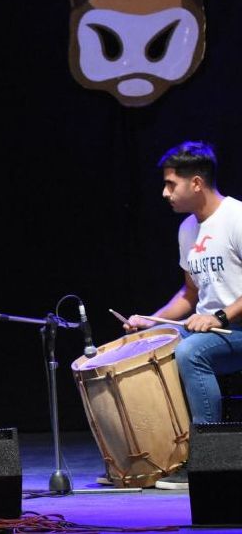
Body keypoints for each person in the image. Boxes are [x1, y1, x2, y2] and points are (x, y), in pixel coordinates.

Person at [124, 141, 242, 490]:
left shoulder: (236, 218)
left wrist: (220, 316)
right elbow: (189, 294)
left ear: (196, 183)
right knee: (145, 349)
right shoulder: (188, 229)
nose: (164, 193)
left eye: (170, 184)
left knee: (191, 353)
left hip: (235, 330)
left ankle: (205, 462)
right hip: (213, 330)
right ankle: (152, 457)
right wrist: (152, 321)